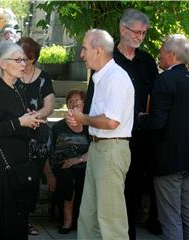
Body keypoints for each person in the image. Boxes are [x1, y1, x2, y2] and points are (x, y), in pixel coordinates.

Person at [81, 9, 160, 238]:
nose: (140, 37)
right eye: (137, 32)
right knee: (96, 212)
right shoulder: (107, 59)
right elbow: (93, 101)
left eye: (144, 33)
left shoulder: (145, 62)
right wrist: (89, 131)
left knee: (124, 203)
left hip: (131, 139)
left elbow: (153, 100)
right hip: (105, 141)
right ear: (122, 30)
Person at [67, 29, 135, 239]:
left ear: (98, 50)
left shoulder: (116, 78)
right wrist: (81, 117)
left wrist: (83, 119)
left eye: (85, 49)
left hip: (111, 149)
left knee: (111, 220)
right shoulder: (100, 77)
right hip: (98, 148)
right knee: (88, 217)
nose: (81, 54)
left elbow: (111, 121)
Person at [0, 41, 44, 240]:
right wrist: (20, 122)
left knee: (18, 220)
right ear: (2, 63)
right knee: (3, 222)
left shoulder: (18, 88)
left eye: (24, 60)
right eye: (18, 60)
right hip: (3, 167)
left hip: (19, 163)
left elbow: (19, 119)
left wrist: (30, 120)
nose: (23, 64)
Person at [138, 34, 189, 240]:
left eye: (161, 51)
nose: (159, 55)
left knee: (170, 218)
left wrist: (142, 118)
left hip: (168, 160)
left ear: (171, 55)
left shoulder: (165, 80)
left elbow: (157, 122)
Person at [16, 36, 55, 236]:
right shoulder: (12, 75)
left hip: (38, 137)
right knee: (16, 180)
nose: (19, 59)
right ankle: (14, 219)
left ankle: (26, 220)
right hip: (16, 136)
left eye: (22, 56)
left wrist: (36, 115)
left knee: (31, 181)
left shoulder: (43, 77)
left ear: (32, 58)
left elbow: (49, 104)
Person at [49, 90, 88, 234]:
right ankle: (67, 220)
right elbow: (47, 151)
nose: (73, 103)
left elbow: (95, 150)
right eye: (70, 101)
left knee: (86, 178)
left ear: (85, 104)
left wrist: (77, 160)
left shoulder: (89, 127)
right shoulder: (58, 127)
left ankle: (83, 220)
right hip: (62, 165)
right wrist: (49, 175)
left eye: (77, 100)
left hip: (84, 164)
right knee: (67, 178)